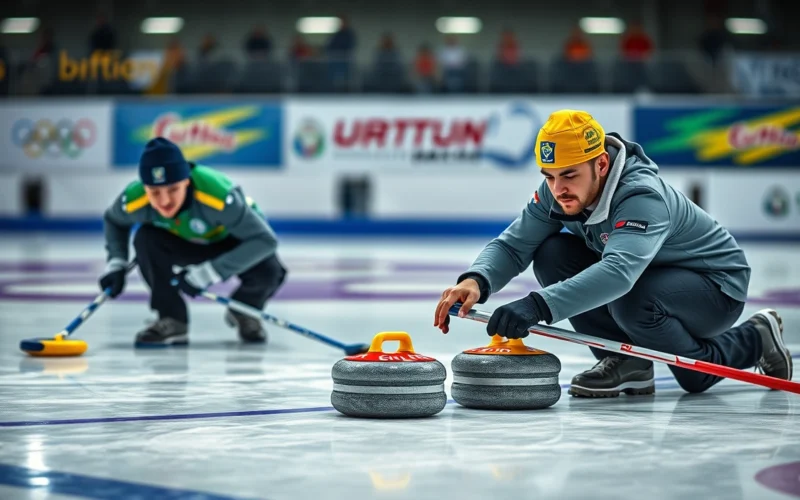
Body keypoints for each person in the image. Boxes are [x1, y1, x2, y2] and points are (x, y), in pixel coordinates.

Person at [434, 109, 792, 397]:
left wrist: (537, 306)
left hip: (715, 288)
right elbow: (515, 245)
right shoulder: (556, 192)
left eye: (569, 175)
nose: (558, 189)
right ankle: (623, 363)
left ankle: (756, 336)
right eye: (549, 176)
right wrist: (475, 280)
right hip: (650, 278)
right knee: (551, 253)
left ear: (601, 165)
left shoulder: (640, 196)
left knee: (678, 357)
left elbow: (619, 273)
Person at [99, 137, 287, 347]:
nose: (164, 201)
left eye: (172, 189)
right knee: (145, 239)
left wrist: (208, 273)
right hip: (183, 242)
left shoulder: (218, 195)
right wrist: (116, 262)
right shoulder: (135, 199)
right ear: (145, 188)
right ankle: (171, 318)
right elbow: (114, 220)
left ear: (186, 181)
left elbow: (265, 240)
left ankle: (244, 309)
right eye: (154, 192)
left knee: (269, 271)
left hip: (231, 241)